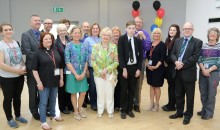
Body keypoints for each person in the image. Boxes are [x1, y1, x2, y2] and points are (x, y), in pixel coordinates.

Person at [169, 22, 202, 125]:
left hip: (188, 73)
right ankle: (179, 112)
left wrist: (182, 64)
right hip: (177, 72)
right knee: (178, 94)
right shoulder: (178, 41)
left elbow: (195, 57)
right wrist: (175, 62)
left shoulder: (197, 42)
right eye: (185, 29)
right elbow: (173, 53)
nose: (187, 30)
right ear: (182, 30)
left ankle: (188, 115)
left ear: (192, 30)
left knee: (190, 96)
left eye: (189, 28)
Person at [32, 32, 64, 130]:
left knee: (53, 99)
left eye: (50, 39)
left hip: (55, 80)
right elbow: (34, 70)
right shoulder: (37, 52)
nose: (48, 40)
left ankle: (53, 115)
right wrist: (39, 82)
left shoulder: (55, 50)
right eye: (46, 39)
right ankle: (43, 121)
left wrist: (61, 78)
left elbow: (60, 66)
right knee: (43, 102)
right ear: (42, 41)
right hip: (44, 82)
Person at [0, 23, 28, 128]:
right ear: (1, 32)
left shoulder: (16, 43)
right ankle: (9, 118)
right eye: (5, 30)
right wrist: (16, 71)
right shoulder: (1, 45)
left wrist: (23, 67)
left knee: (17, 97)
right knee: (8, 98)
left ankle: (18, 115)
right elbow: (1, 64)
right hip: (7, 78)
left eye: (10, 29)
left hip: (19, 76)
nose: (8, 31)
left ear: (13, 30)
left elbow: (20, 59)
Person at [91, 27, 119, 118]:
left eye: (108, 35)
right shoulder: (95, 47)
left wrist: (107, 70)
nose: (106, 37)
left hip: (110, 74)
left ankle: (110, 111)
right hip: (98, 74)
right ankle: (100, 110)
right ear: (101, 35)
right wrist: (100, 72)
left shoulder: (114, 47)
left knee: (110, 93)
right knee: (100, 92)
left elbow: (116, 62)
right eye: (104, 35)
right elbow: (92, 61)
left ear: (110, 37)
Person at [118, 21, 142, 119]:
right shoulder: (122, 39)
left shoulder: (138, 41)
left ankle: (129, 109)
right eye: (130, 28)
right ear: (126, 29)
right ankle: (123, 110)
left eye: (133, 28)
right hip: (125, 68)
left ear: (135, 29)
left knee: (132, 90)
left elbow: (140, 57)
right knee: (124, 90)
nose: (132, 30)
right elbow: (120, 55)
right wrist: (124, 68)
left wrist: (139, 69)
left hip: (134, 68)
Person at [65, 26, 89, 121]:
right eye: (75, 33)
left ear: (81, 34)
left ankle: (80, 109)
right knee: (74, 92)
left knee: (83, 92)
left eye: (78, 33)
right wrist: (75, 74)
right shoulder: (68, 45)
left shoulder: (84, 45)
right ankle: (75, 111)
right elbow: (67, 61)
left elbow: (86, 60)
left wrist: (83, 73)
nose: (77, 34)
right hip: (72, 73)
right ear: (71, 34)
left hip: (82, 73)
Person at [21, 14, 41, 120]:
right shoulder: (25, 35)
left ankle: (41, 108)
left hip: (43, 68)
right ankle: (34, 111)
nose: (38, 22)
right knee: (33, 91)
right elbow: (28, 52)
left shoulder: (42, 34)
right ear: (30, 22)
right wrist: (42, 57)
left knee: (41, 90)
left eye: (39, 20)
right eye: (35, 20)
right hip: (32, 67)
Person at [197, 27, 220, 120]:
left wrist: (209, 70)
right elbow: (199, 59)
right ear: (208, 35)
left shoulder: (219, 47)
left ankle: (209, 112)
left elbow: (219, 62)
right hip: (203, 72)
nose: (212, 34)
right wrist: (203, 69)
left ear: (217, 36)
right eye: (211, 33)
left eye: (215, 33)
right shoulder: (203, 46)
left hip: (214, 73)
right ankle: (204, 109)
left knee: (211, 93)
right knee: (203, 92)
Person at [134, 16, 151, 112]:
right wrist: (136, 36)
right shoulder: (130, 32)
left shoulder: (146, 33)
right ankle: (129, 102)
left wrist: (143, 37)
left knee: (139, 83)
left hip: (141, 61)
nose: (138, 24)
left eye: (140, 22)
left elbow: (147, 48)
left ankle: (137, 104)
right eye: (136, 22)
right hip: (131, 61)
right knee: (129, 82)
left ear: (142, 23)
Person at [146, 28, 166, 112]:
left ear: (160, 35)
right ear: (152, 34)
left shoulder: (162, 45)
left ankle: (157, 104)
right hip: (149, 69)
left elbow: (162, 57)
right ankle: (151, 103)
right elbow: (147, 56)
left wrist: (156, 66)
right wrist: (147, 65)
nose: (156, 35)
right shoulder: (150, 44)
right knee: (151, 86)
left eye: (158, 33)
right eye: (155, 33)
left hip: (158, 69)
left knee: (157, 86)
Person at [55, 24, 73, 114]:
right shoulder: (55, 43)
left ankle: (70, 105)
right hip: (59, 68)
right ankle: (62, 107)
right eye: (61, 30)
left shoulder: (69, 40)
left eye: (64, 30)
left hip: (69, 68)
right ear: (57, 32)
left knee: (69, 86)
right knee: (61, 87)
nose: (63, 32)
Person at [162, 24, 180, 111]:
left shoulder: (177, 41)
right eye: (170, 30)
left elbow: (174, 54)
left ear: (177, 32)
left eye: (174, 30)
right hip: (168, 67)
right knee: (170, 86)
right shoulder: (168, 39)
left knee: (173, 87)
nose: (171, 31)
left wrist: (166, 61)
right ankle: (170, 103)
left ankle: (172, 106)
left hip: (173, 67)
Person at [83, 23, 101, 111]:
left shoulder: (102, 39)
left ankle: (99, 102)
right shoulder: (87, 40)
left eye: (97, 28)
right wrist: (85, 69)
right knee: (93, 86)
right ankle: (93, 103)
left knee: (99, 86)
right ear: (91, 30)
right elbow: (85, 54)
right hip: (91, 67)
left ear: (99, 30)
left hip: (101, 68)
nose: (95, 30)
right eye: (93, 28)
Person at [112, 26, 121, 112]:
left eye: (117, 33)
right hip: (113, 68)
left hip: (121, 67)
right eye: (114, 33)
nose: (115, 34)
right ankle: (113, 105)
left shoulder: (122, 42)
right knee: (113, 86)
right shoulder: (110, 44)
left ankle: (119, 105)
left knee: (120, 86)